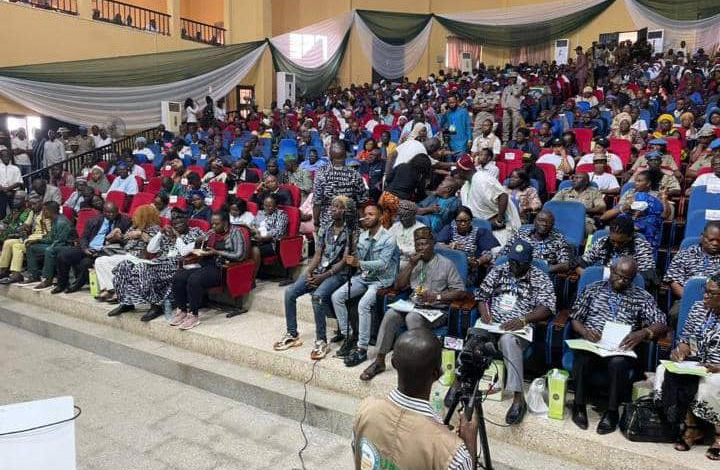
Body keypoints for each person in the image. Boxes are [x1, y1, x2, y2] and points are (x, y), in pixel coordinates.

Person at [352, 329, 477, 470]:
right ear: (438, 374)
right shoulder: (452, 453)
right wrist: (470, 443)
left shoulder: (365, 410)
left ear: (393, 363)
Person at [570, 257, 667, 434]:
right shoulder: (593, 290)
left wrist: (643, 333)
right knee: (583, 357)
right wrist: (585, 332)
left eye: (627, 278)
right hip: (593, 343)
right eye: (619, 276)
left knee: (618, 363)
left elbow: (661, 323)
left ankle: (612, 411)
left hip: (619, 348)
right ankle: (578, 405)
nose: (622, 281)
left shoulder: (641, 296)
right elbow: (576, 318)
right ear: (611, 272)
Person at [361, 226, 466, 382]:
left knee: (412, 317)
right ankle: (379, 360)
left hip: (436, 310)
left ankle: (420, 365)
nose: (421, 248)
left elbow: (460, 291)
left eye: (424, 243)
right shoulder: (413, 262)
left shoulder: (446, 264)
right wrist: (410, 265)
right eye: (418, 244)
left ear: (433, 244)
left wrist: (436, 296)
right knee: (391, 315)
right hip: (413, 304)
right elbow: (398, 286)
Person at [475, 239, 556, 424]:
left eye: (517, 263)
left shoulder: (539, 277)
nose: (512, 265)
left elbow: (548, 307)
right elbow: (481, 295)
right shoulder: (500, 270)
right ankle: (460, 383)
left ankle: (518, 398)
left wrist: (523, 319)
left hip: (520, 329)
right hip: (492, 324)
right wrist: (484, 312)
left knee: (508, 340)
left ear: (528, 263)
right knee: (474, 335)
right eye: (511, 260)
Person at [274, 196, 354, 359]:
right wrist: (309, 271)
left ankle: (321, 341)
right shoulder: (326, 227)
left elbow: (345, 261)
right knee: (290, 293)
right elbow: (318, 253)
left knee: (317, 297)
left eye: (338, 207)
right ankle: (292, 333)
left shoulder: (351, 231)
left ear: (345, 211)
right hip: (319, 269)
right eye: (332, 207)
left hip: (338, 273)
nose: (333, 210)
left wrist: (323, 276)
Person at [654, 272, 720, 460]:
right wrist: (680, 350)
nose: (705, 296)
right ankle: (691, 428)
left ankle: (719, 435)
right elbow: (686, 339)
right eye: (705, 291)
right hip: (697, 362)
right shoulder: (699, 308)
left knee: (712, 384)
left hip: (717, 367)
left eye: (712, 293)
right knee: (664, 370)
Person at [331, 204, 398, 367]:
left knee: (363, 304)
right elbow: (358, 261)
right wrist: (353, 250)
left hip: (381, 280)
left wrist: (358, 262)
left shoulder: (389, 238)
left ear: (380, 217)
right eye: (365, 214)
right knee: (337, 296)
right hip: (364, 276)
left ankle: (362, 348)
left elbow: (382, 264)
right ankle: (349, 336)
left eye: (371, 214)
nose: (366, 217)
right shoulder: (361, 236)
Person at [109, 212, 204, 320]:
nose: (177, 226)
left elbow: (183, 252)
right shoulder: (167, 234)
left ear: (187, 221)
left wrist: (177, 237)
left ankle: (155, 305)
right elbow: (151, 249)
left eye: (180, 223)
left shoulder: (195, 232)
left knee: (141, 267)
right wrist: (160, 233)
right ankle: (126, 302)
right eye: (175, 224)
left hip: (175, 265)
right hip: (158, 262)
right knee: (124, 265)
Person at [170, 211, 245, 329]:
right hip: (205, 263)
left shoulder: (236, 232)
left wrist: (217, 252)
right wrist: (198, 243)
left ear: (225, 223)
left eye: (217, 224)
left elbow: (240, 255)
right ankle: (183, 311)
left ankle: (193, 316)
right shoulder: (211, 233)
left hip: (221, 268)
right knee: (178, 277)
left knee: (194, 280)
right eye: (212, 224)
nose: (213, 227)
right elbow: (202, 249)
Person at [53, 201, 131, 294]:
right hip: (90, 247)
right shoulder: (93, 220)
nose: (111, 214)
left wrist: (118, 238)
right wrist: (85, 248)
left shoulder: (124, 221)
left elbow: (126, 238)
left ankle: (76, 285)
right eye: (108, 212)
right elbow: (84, 237)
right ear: (103, 212)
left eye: (114, 212)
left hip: (105, 250)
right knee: (63, 255)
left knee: (86, 263)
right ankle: (61, 284)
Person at [93, 204, 161, 303]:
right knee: (100, 261)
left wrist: (141, 234)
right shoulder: (134, 227)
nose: (134, 217)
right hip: (127, 253)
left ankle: (117, 291)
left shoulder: (155, 228)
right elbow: (125, 239)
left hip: (140, 257)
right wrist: (118, 236)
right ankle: (110, 289)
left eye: (137, 215)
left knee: (115, 262)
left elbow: (154, 245)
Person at [455, 154, 520, 248]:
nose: (456, 174)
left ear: (462, 171)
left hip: (497, 227)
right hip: (480, 226)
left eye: (457, 172)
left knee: (495, 252)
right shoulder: (466, 185)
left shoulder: (482, 179)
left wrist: (499, 220)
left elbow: (503, 196)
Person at [664, 221, 720, 324]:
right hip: (687, 299)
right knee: (676, 314)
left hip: (717, 302)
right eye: (711, 239)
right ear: (702, 237)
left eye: (719, 241)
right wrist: (690, 297)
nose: (715, 243)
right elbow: (674, 281)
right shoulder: (685, 254)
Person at [578, 216, 657, 288]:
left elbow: (645, 279)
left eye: (621, 242)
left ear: (630, 236)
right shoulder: (603, 242)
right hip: (601, 287)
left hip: (629, 288)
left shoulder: (641, 246)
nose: (616, 245)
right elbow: (581, 263)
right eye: (613, 241)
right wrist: (587, 276)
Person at [313, 141, 368, 235]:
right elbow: (361, 203)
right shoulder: (355, 174)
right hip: (350, 225)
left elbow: (317, 203)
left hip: (328, 224)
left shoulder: (321, 174)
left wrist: (316, 223)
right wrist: (362, 223)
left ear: (330, 156)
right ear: (346, 155)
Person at [435, 206, 498, 281]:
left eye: (466, 221)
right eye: (459, 221)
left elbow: (488, 254)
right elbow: (437, 246)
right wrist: (450, 246)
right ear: (455, 221)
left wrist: (477, 262)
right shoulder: (449, 230)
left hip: (469, 269)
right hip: (448, 267)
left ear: (471, 220)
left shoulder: (480, 233)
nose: (463, 223)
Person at [502, 210, 573, 274]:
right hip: (517, 271)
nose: (544, 224)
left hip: (544, 277)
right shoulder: (520, 235)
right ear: (534, 222)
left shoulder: (559, 239)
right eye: (541, 220)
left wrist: (544, 269)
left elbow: (566, 264)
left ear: (552, 225)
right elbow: (502, 255)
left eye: (549, 222)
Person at [24, 201, 74, 289]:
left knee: (49, 250)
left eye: (44, 210)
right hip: (56, 243)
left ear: (50, 211)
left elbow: (60, 242)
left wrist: (49, 245)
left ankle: (48, 279)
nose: (43, 213)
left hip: (66, 246)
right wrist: (37, 240)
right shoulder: (54, 220)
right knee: (31, 247)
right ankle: (34, 275)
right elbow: (51, 238)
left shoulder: (61, 222)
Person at [380, 153, 433, 228]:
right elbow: (420, 194)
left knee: (384, 223)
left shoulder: (402, 165)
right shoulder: (418, 176)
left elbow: (388, 178)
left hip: (385, 196)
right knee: (394, 226)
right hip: (397, 201)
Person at [0, 196, 44, 284]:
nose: (32, 206)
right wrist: (23, 228)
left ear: (41, 204)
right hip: (30, 237)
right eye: (31, 204)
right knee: (8, 242)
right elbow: (26, 225)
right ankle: (3, 270)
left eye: (35, 204)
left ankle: (16, 274)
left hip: (39, 239)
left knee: (17, 247)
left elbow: (47, 232)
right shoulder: (33, 212)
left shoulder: (46, 213)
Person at [249, 195, 289, 275]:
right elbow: (252, 224)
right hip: (256, 238)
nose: (267, 208)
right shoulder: (260, 213)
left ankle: (253, 275)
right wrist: (254, 230)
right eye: (265, 205)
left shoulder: (281, 215)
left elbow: (278, 232)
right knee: (244, 246)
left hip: (271, 243)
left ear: (275, 206)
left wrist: (263, 238)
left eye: (270, 206)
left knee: (254, 250)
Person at [388, 200, 426, 269]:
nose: (402, 219)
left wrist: (403, 251)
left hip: (410, 261)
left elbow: (421, 250)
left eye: (405, 217)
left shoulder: (422, 229)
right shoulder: (396, 226)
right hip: (393, 257)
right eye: (401, 217)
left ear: (413, 215)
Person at [0, 149, 23, 220]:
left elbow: (19, 182)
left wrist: (7, 189)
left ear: (10, 157)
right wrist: (5, 190)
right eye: (4, 156)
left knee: (15, 211)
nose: (6, 158)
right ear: (1, 157)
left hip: (13, 192)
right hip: (1, 192)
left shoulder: (15, 168)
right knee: (1, 212)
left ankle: (12, 226)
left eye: (7, 156)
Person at [501, 72, 524, 142]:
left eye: (514, 78)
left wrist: (513, 86)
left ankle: (514, 140)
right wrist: (506, 107)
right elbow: (503, 99)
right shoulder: (506, 88)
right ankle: (505, 140)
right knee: (505, 125)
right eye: (511, 78)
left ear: (516, 79)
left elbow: (516, 94)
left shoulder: (520, 86)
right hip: (506, 109)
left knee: (515, 126)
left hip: (515, 109)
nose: (512, 79)